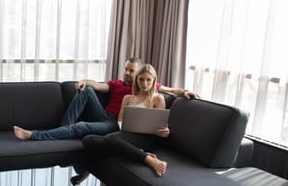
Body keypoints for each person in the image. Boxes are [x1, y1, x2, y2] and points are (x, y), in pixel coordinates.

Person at [13, 57, 198, 141]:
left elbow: (170, 89)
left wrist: (184, 91)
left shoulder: (147, 86)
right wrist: (85, 81)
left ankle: (35, 135)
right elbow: (99, 85)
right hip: (103, 115)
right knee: (86, 90)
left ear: (140, 74)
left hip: (113, 124)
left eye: (131, 70)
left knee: (82, 127)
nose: (126, 72)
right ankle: (64, 129)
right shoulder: (118, 84)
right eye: (126, 69)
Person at [83, 64, 170, 177]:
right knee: (87, 140)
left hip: (147, 139)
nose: (144, 83)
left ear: (154, 80)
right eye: (141, 79)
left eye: (148, 80)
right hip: (127, 134)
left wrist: (165, 131)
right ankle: (136, 152)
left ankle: (148, 159)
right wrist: (126, 126)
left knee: (110, 139)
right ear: (136, 80)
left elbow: (160, 125)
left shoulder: (158, 98)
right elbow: (120, 121)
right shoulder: (128, 98)